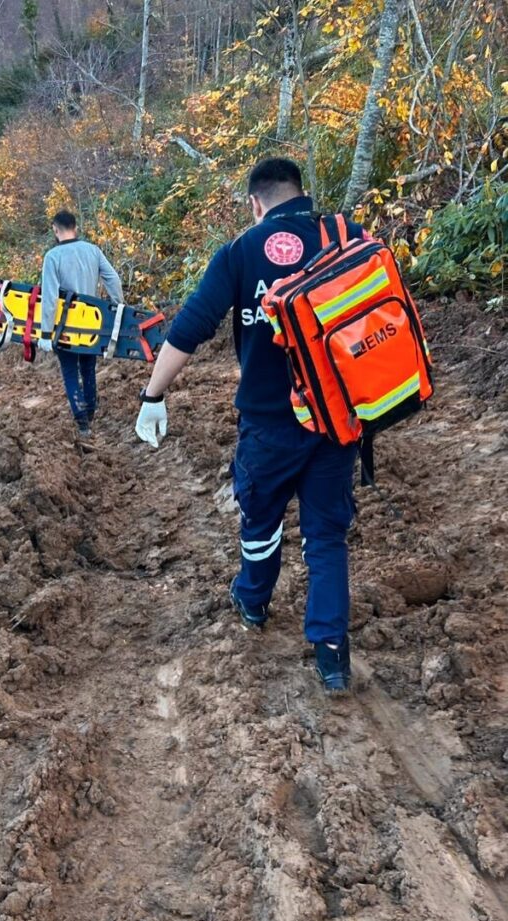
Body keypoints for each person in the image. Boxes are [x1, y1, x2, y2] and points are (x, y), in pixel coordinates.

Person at [134, 157, 366, 695]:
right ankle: (332, 655)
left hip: (270, 424)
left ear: (255, 203)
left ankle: (254, 602)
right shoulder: (346, 237)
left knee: (261, 522)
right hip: (339, 421)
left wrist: (153, 393)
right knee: (326, 536)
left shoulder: (240, 253)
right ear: (301, 194)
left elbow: (190, 328)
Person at [39, 210, 125, 436]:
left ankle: (82, 422)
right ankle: (90, 413)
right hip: (92, 324)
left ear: (55, 230)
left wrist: (45, 333)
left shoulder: (52, 257)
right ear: (75, 227)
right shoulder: (93, 251)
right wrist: (118, 307)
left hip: (64, 328)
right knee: (88, 368)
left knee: (69, 370)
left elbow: (49, 298)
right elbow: (113, 279)